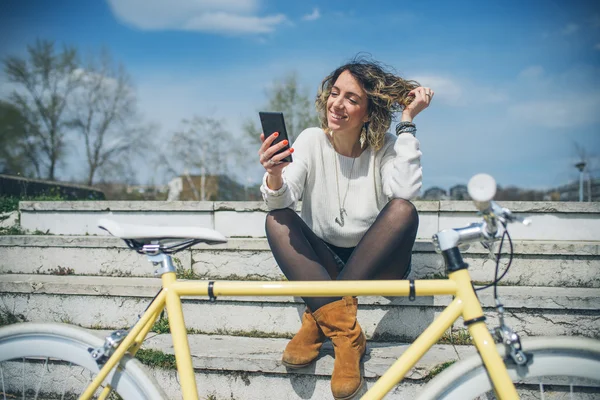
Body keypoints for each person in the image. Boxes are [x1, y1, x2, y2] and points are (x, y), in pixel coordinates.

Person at [257, 56, 433, 400]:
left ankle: (318, 317)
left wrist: (408, 121)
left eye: (351, 99)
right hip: (325, 260)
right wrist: (275, 174)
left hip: (378, 265)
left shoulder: (383, 149)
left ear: (368, 112)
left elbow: (406, 192)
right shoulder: (310, 140)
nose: (337, 105)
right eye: (335, 94)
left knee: (403, 210)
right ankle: (347, 336)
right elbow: (280, 201)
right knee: (276, 219)